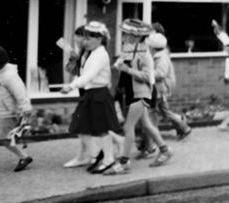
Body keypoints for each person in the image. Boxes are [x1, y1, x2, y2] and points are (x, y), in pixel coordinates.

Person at [107, 19, 172, 173]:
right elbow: (123, 63)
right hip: (133, 91)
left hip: (142, 92)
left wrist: (127, 70)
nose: (123, 38)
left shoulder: (145, 54)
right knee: (146, 124)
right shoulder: (132, 50)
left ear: (136, 37)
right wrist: (117, 65)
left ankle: (124, 162)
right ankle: (165, 150)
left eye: (126, 35)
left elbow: (149, 77)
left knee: (128, 126)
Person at [65, 22, 122, 174]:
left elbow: (89, 75)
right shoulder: (94, 53)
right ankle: (97, 155)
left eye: (89, 38)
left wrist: (71, 86)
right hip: (91, 94)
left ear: (99, 39)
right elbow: (83, 73)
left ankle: (108, 158)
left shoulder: (101, 54)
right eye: (85, 38)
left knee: (102, 129)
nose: (85, 41)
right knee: (82, 125)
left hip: (99, 94)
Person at [0, 45, 33, 173]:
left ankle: (24, 157)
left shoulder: (10, 76)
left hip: (6, 113)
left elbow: (21, 94)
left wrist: (25, 110)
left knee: (3, 138)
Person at [62, 26, 102, 168]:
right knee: (85, 125)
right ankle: (87, 156)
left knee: (82, 124)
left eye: (78, 37)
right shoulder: (82, 52)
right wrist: (73, 60)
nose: (76, 40)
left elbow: (90, 74)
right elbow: (71, 70)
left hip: (92, 91)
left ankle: (93, 155)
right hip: (84, 91)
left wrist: (71, 86)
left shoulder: (94, 53)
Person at [148, 32, 192, 141]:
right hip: (159, 89)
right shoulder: (160, 55)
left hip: (160, 89)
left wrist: (147, 73)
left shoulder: (161, 58)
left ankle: (151, 137)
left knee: (152, 112)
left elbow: (161, 73)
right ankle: (183, 127)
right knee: (165, 112)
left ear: (153, 47)